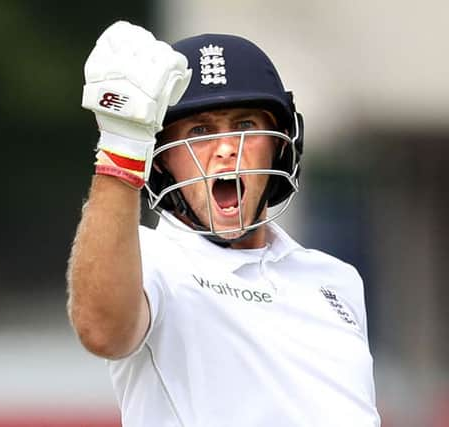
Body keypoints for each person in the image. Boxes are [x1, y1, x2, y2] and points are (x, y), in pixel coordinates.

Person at [67, 21, 380, 427]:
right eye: (200, 131)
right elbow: (101, 331)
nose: (226, 148)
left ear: (281, 144)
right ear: (161, 157)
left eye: (246, 126)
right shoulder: (148, 261)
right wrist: (121, 147)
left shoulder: (336, 281)